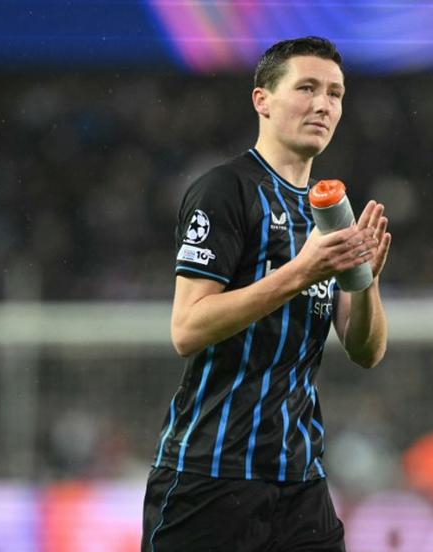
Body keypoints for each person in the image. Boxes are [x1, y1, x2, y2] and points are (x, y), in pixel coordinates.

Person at [141, 36, 392, 551]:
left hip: (301, 481)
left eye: (335, 93)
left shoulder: (328, 213)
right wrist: (300, 273)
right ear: (263, 100)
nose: (323, 104)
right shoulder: (224, 190)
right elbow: (187, 328)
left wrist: (365, 281)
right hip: (210, 476)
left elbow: (366, 350)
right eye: (306, 87)